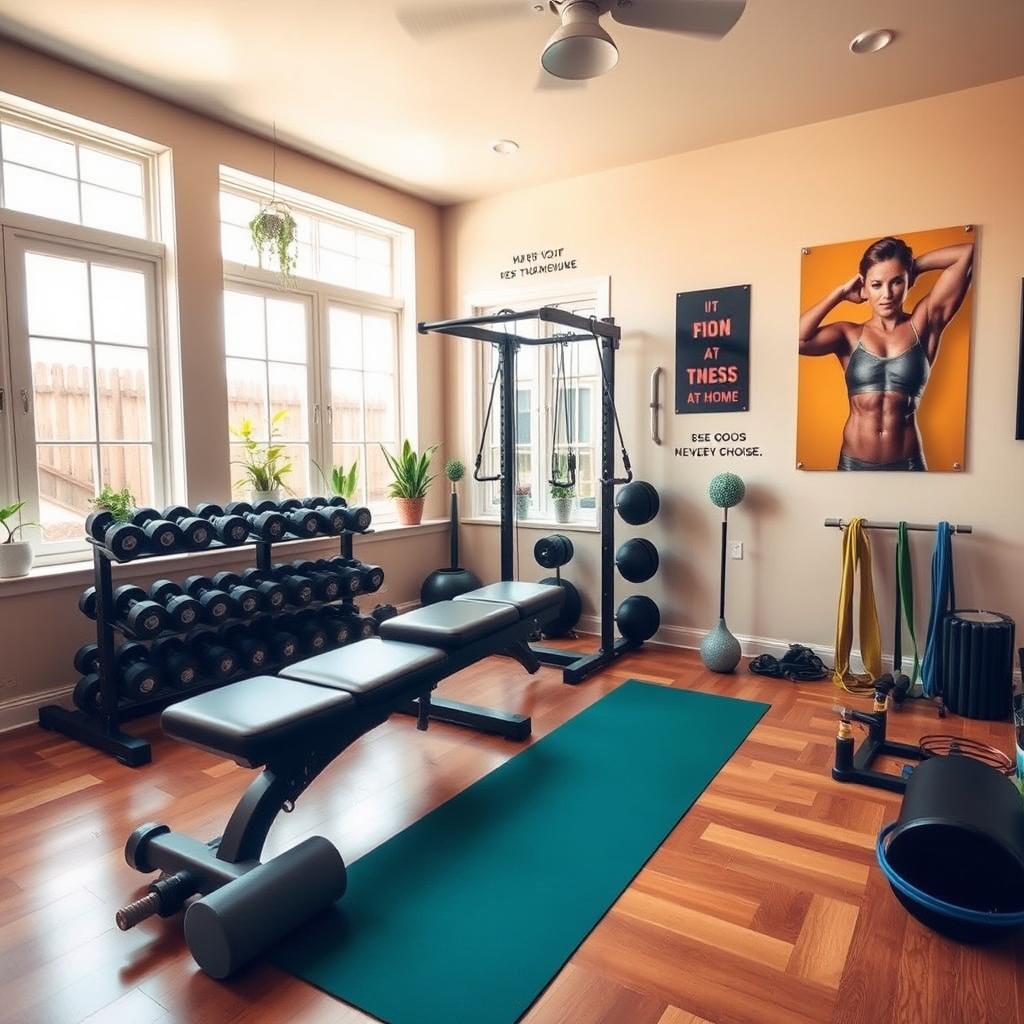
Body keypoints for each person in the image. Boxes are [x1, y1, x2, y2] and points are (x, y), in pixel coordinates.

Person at [799, 235, 974, 470]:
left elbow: (966, 253)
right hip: (853, 464)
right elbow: (798, 339)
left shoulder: (924, 323)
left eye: (896, 282)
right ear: (864, 286)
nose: (887, 294)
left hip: (908, 462)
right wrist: (839, 294)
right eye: (876, 284)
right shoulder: (848, 334)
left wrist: (912, 268)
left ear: (908, 280)